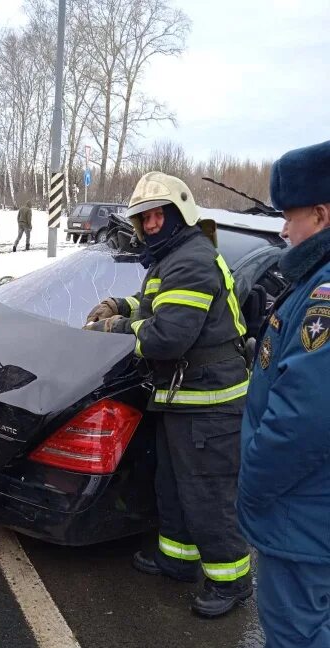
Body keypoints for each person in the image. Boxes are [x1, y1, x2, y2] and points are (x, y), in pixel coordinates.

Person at [214, 141, 330, 648]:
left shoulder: (325, 295)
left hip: (301, 501)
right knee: (296, 617)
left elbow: (304, 417)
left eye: (294, 215)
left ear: (323, 210)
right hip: (310, 498)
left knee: (302, 629)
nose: (284, 228)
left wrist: (252, 482)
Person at [85, 171, 251, 617]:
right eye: (145, 218)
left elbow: (166, 338)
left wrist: (119, 326)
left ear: (180, 213)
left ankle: (232, 582)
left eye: (159, 214)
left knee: (208, 493)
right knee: (174, 485)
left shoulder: (191, 261)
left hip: (210, 403)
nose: (151, 224)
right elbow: (158, 305)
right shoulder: (172, 258)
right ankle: (176, 560)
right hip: (184, 399)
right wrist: (123, 305)